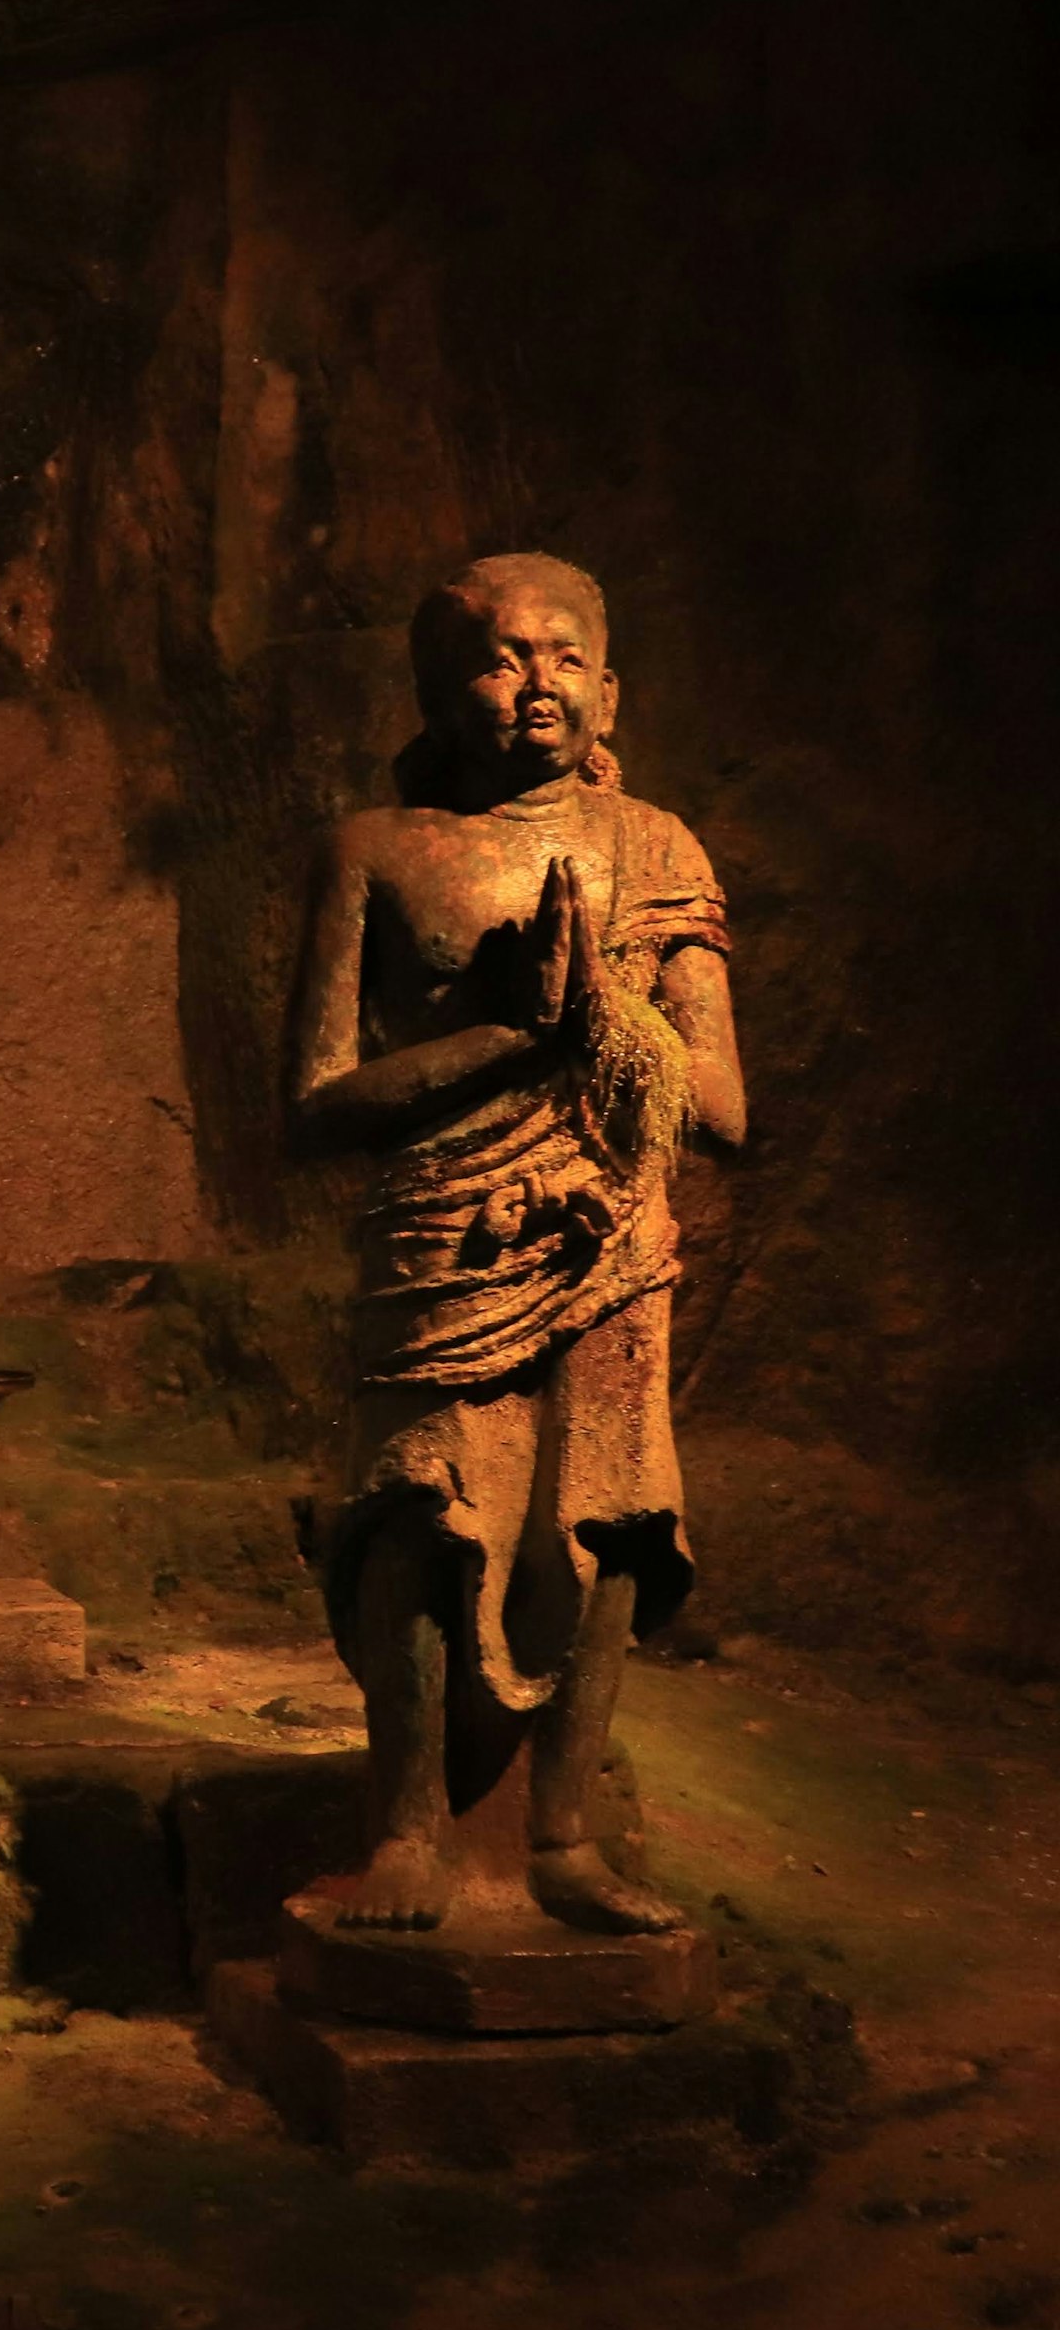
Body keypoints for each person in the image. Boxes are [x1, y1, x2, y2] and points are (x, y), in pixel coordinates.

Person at [284, 553, 746, 1934]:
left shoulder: (656, 849)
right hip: (443, 1237)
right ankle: (411, 1832)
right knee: (426, 1507)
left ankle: (560, 1837)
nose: (531, 683)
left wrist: (600, 1012)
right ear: (437, 688)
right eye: (496, 657)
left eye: (561, 657)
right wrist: (500, 1032)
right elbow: (313, 1104)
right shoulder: (373, 847)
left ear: (610, 690)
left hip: (602, 1232)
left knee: (602, 1521)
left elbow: (719, 1106)